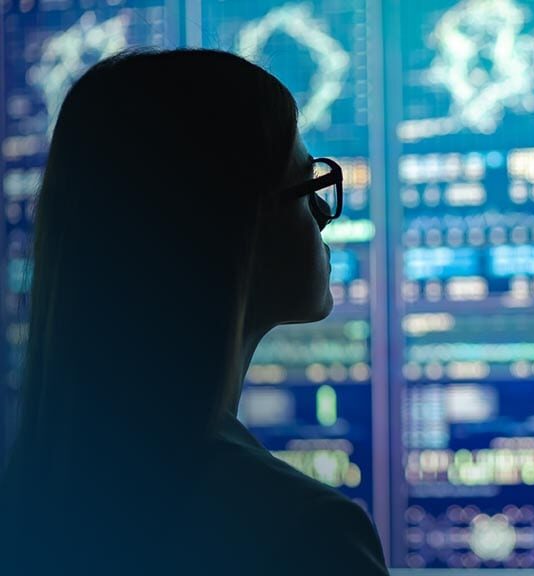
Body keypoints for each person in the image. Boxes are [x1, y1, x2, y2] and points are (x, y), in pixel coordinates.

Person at [0, 49, 388, 575]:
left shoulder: (31, 492)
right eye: (308, 188)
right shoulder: (309, 533)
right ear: (232, 228)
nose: (325, 215)